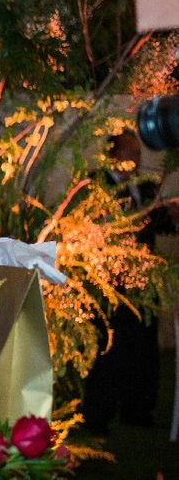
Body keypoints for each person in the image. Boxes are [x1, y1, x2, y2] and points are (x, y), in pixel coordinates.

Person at [82, 130, 176, 434]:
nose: (136, 159)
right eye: (131, 153)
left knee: (143, 349)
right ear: (113, 155)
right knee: (108, 349)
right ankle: (98, 414)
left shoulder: (147, 189)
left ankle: (137, 409)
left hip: (142, 284)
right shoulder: (96, 184)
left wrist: (172, 214)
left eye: (138, 154)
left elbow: (160, 225)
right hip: (109, 283)